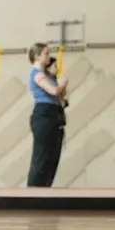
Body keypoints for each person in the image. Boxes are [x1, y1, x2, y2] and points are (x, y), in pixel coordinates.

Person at [26, 42, 67, 187]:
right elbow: (54, 91)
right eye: (46, 53)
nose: (49, 56)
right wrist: (62, 83)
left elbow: (61, 98)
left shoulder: (47, 75)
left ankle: (44, 189)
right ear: (37, 56)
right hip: (43, 117)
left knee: (52, 158)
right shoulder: (37, 75)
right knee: (41, 157)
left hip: (54, 117)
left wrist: (61, 85)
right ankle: (32, 192)